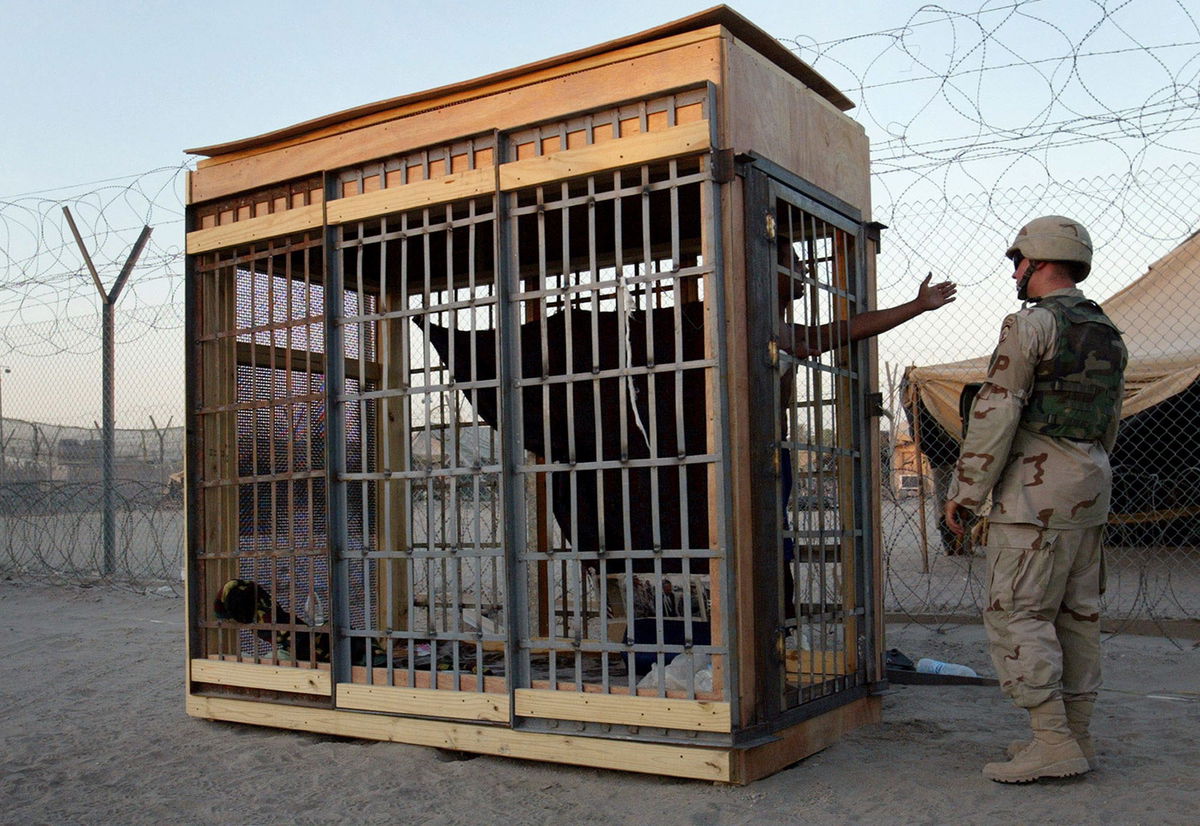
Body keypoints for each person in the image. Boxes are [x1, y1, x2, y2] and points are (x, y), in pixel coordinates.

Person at [943, 216, 1127, 783]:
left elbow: (997, 410)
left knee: (1019, 613)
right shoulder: (1106, 331)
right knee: (1077, 615)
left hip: (1034, 494)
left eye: (1018, 260)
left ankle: (1051, 740)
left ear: (1041, 260)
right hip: (1089, 484)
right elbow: (1109, 418)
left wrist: (967, 491)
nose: (1016, 271)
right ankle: (1078, 736)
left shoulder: (1030, 325)